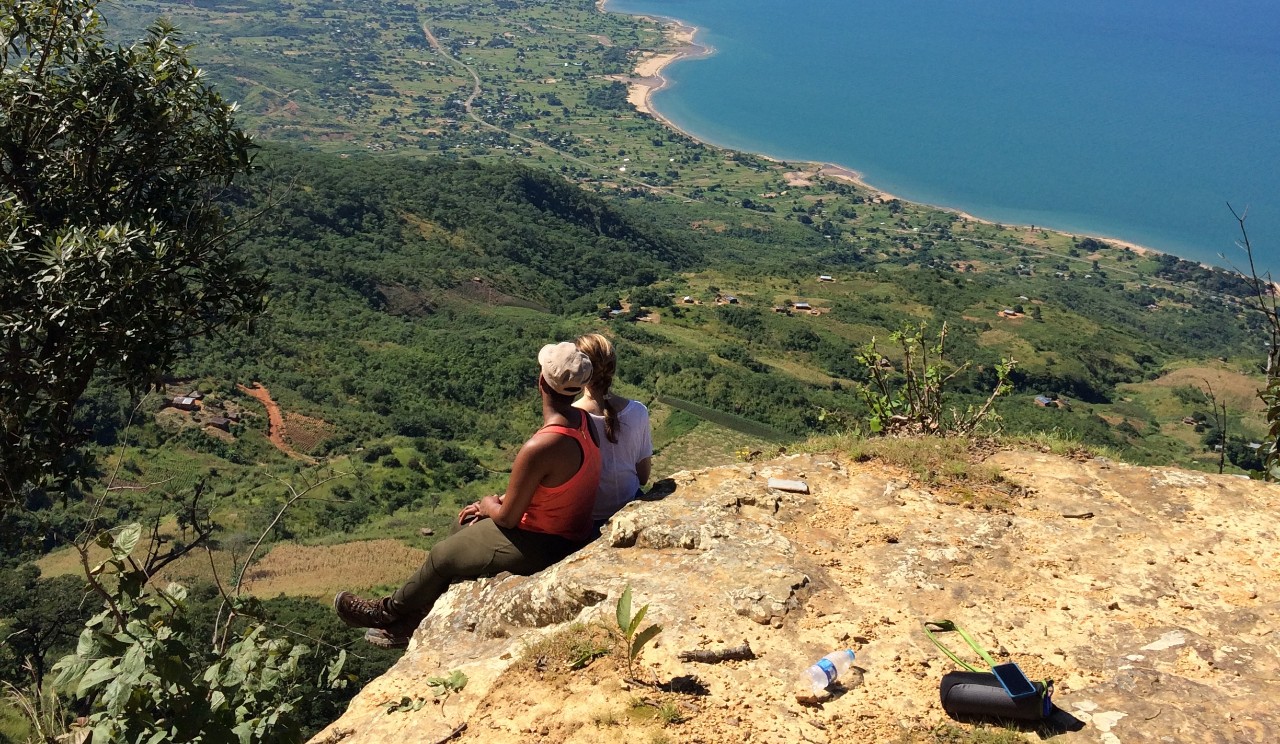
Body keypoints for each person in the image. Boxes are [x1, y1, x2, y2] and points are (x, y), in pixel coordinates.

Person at [333, 342, 601, 648]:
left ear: (541, 382)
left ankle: (385, 612)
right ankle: (415, 618)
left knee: (441, 556)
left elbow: (509, 518)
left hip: (544, 543)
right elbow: (552, 487)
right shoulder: (585, 423)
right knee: (462, 524)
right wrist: (491, 506)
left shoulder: (542, 445)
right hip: (566, 532)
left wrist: (489, 504)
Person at [573, 333, 653, 529]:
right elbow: (643, 477)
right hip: (631, 507)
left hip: (590, 520)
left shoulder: (572, 419)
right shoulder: (638, 411)